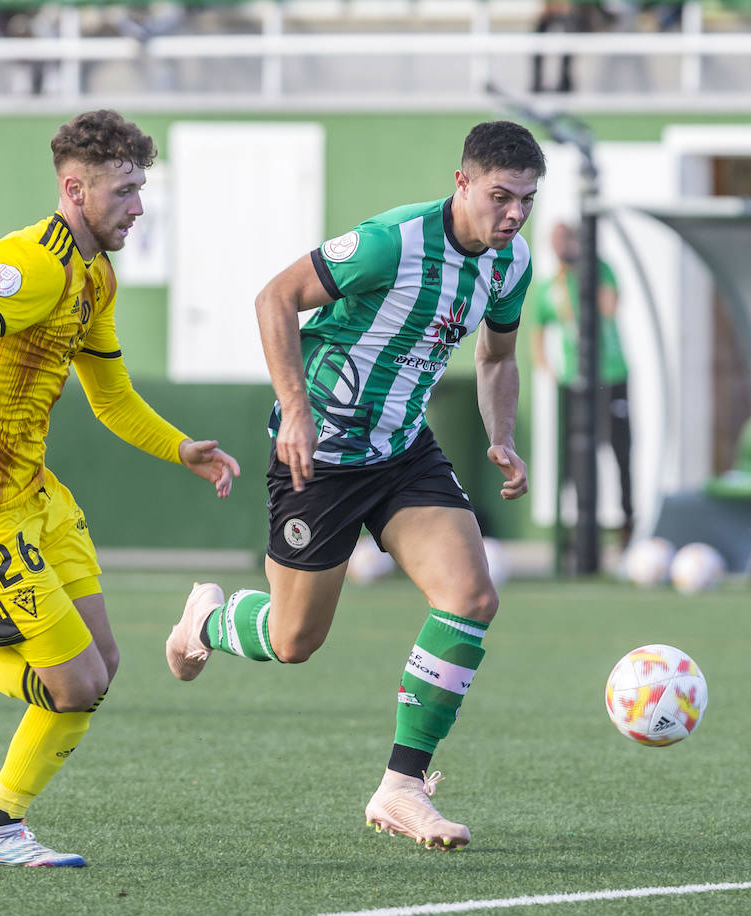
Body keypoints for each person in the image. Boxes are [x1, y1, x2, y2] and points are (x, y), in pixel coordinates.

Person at [0, 109, 240, 867]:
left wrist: (180, 448)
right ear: (75, 187)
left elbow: (111, 397)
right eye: (126, 191)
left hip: (34, 492)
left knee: (101, 664)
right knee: (72, 687)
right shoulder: (31, 261)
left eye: (141, 189)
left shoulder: (96, 275)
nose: (138, 207)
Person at [164, 120, 545, 851]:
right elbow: (274, 299)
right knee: (294, 638)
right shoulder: (392, 242)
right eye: (501, 197)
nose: (514, 215)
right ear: (462, 183)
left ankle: (402, 787)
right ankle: (207, 620)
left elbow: (497, 358)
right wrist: (297, 414)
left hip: (404, 449)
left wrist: (502, 436)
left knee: (471, 597)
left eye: (526, 200)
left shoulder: (510, 262)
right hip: (324, 453)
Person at [531, 220, 633, 547]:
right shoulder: (549, 287)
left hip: (612, 376)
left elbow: (609, 307)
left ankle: (627, 521)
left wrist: (583, 275)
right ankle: (573, 530)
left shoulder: (600, 270)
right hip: (574, 383)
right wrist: (552, 371)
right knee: (573, 457)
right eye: (555, 239)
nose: (561, 246)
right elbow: (537, 335)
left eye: (567, 238)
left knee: (621, 452)